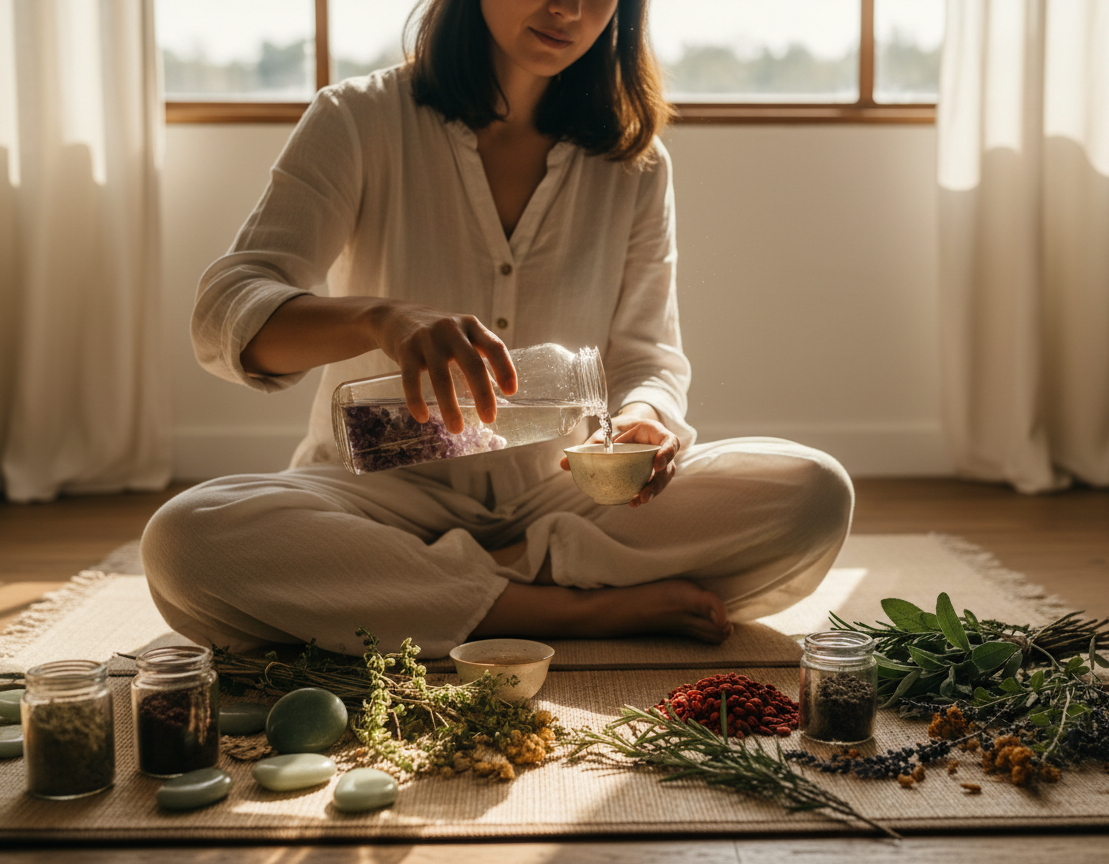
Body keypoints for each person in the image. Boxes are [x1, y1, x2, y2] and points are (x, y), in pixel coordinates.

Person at [141, 0, 854, 660]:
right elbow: (224, 312)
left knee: (814, 492)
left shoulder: (634, 163)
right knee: (186, 540)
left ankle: (449, 594)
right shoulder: (358, 117)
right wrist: (381, 318)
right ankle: (564, 613)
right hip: (379, 494)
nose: (568, 9)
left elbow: (646, 357)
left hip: (562, 498)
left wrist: (647, 418)